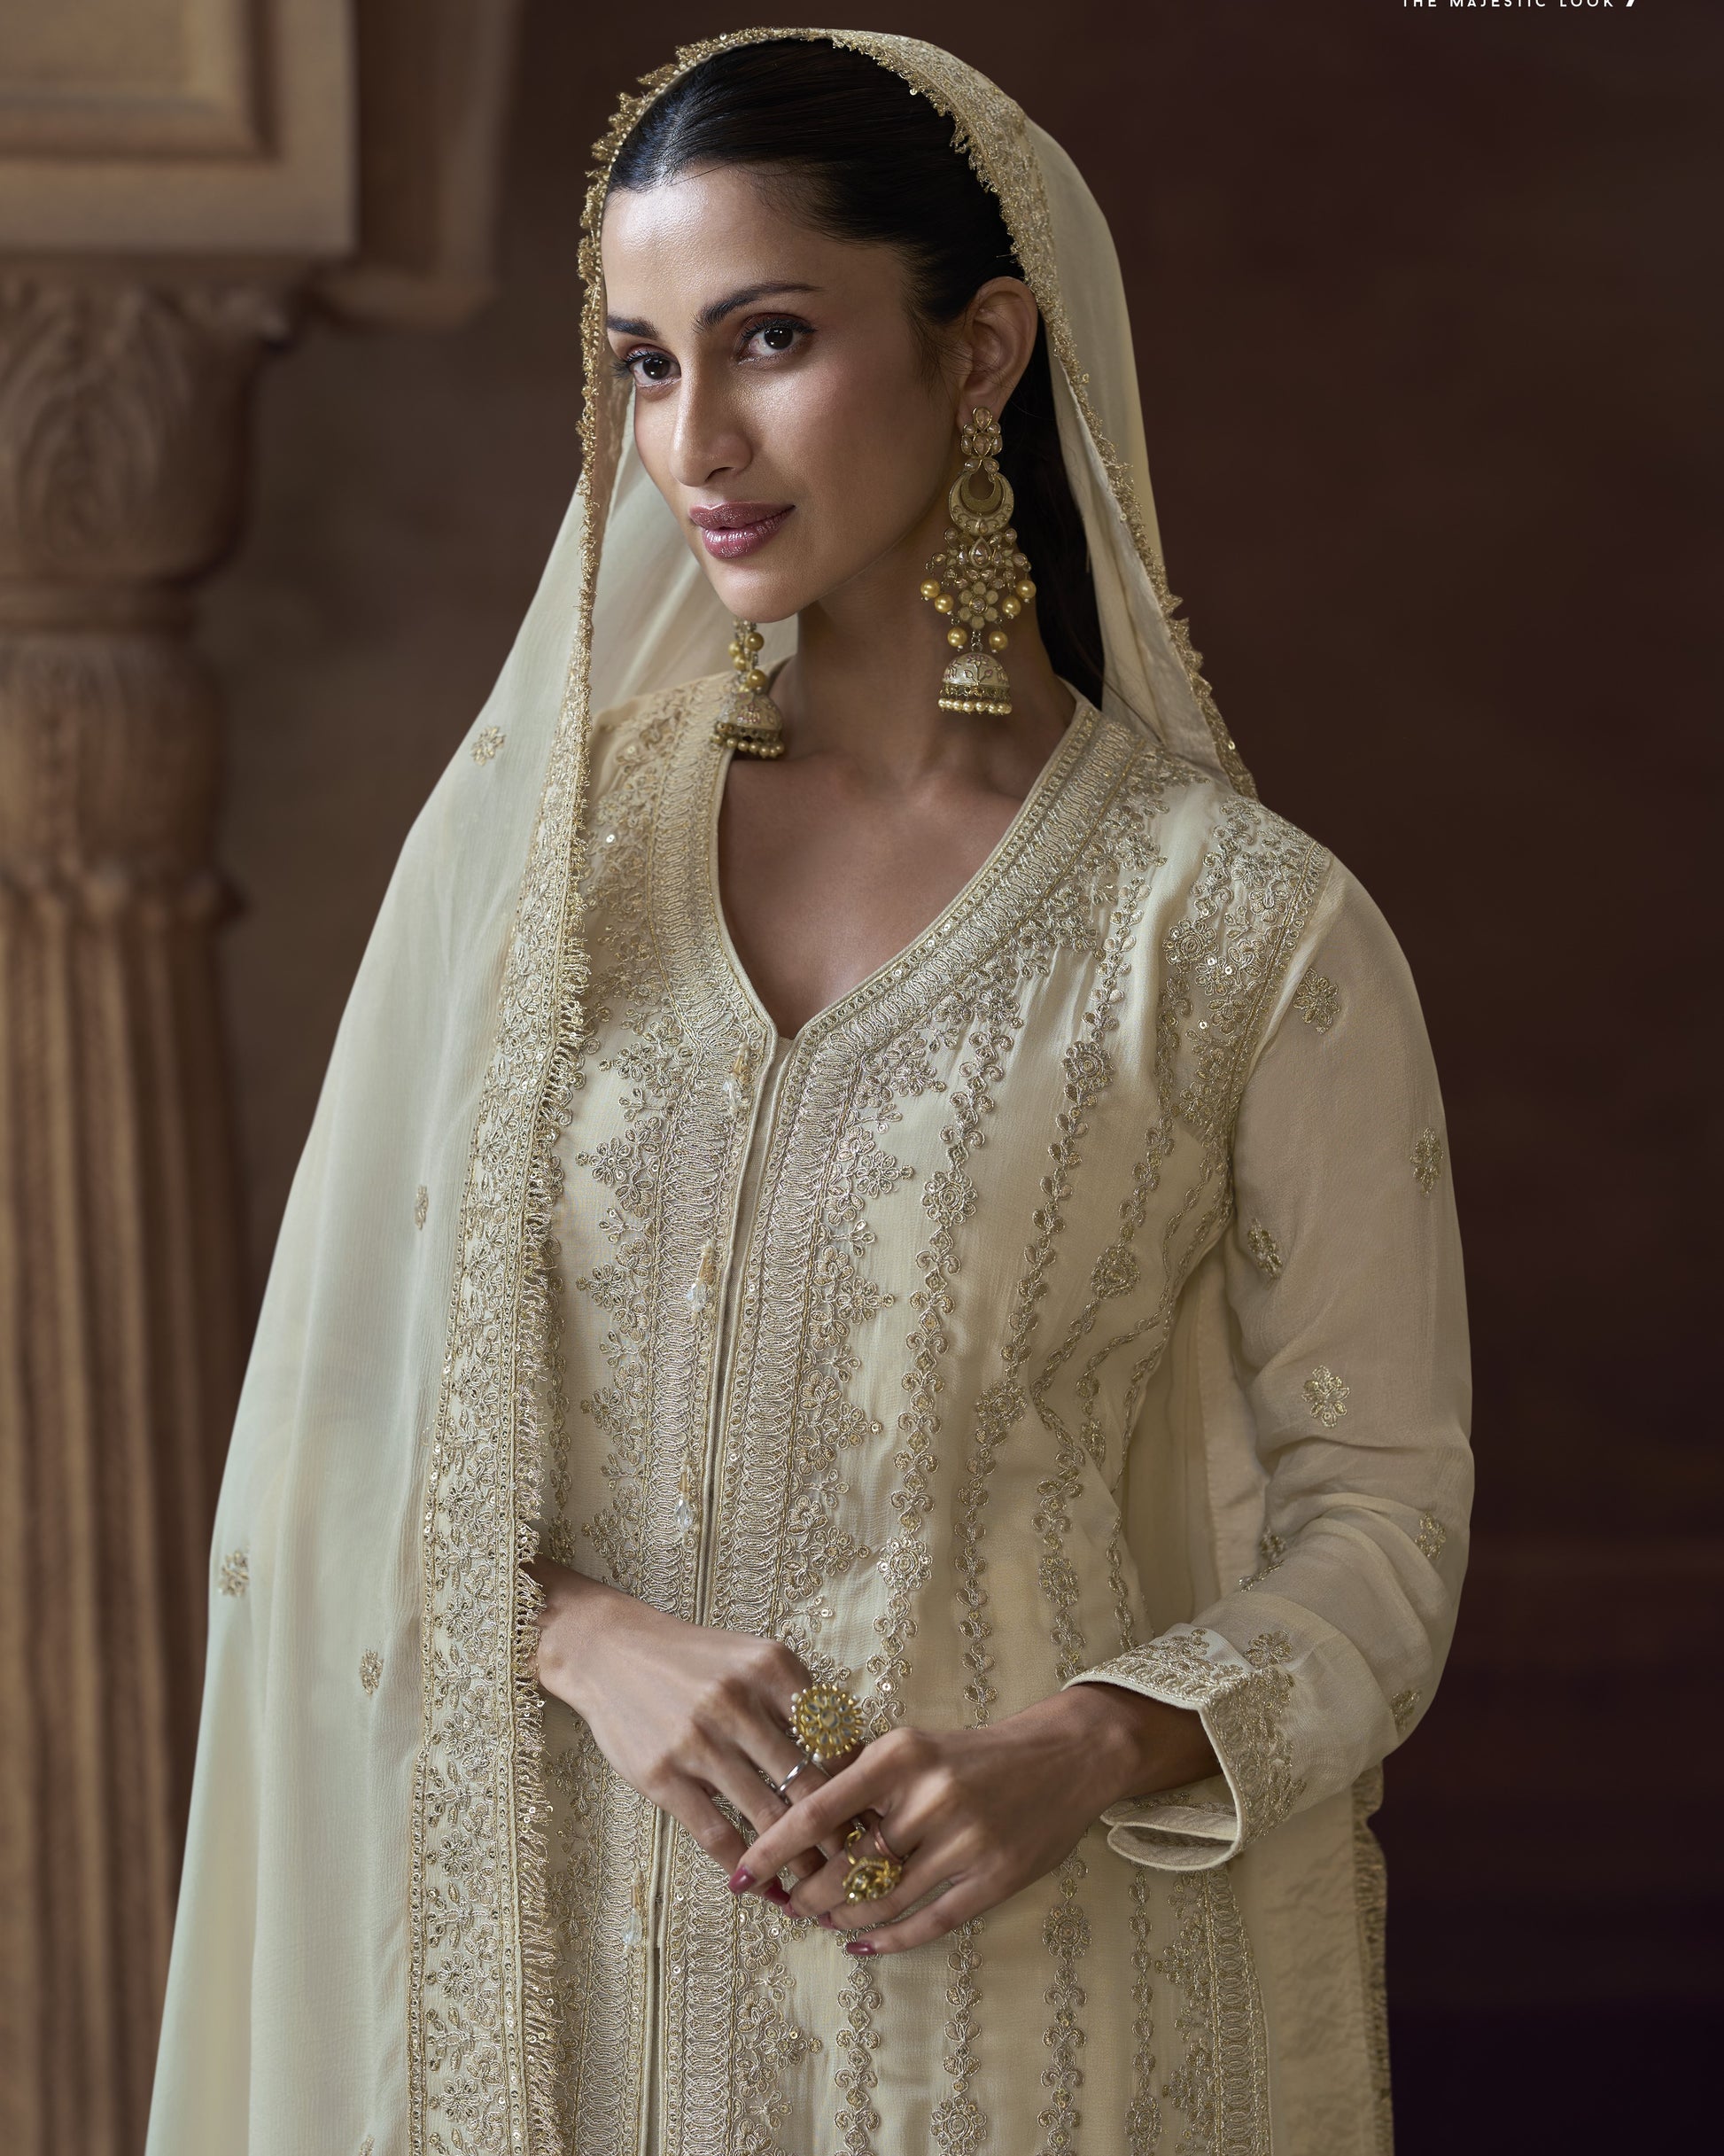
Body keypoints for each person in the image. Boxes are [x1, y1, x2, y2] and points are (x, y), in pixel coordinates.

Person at [146, 29, 1472, 2156]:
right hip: (557, 1990)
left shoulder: (1231, 930)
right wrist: (576, 1633)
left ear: (983, 351)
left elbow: (1382, 1516)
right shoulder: (538, 872)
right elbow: (335, 1430)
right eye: (646, 362)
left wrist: (1095, 1736)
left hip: (1014, 2019)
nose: (697, 438)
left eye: (767, 336)